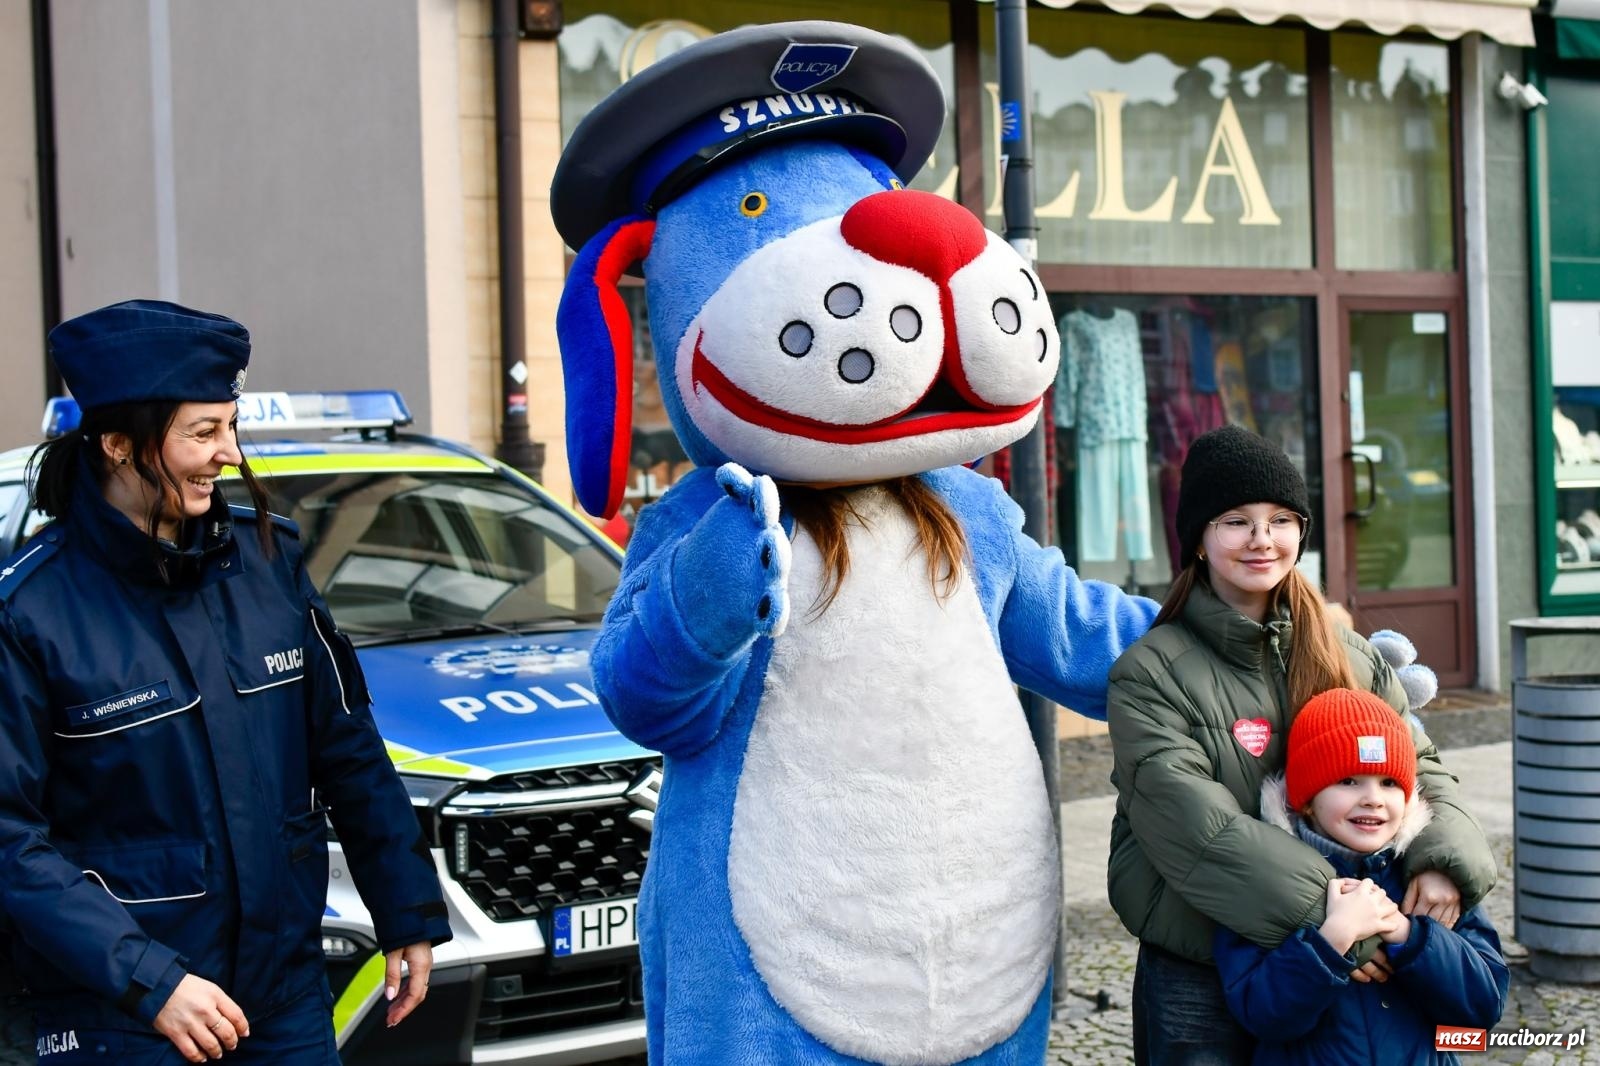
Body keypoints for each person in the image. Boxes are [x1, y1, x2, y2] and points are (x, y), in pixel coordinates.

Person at [0, 300, 452, 1064]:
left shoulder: (269, 563)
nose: (229, 453)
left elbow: (346, 746)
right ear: (117, 443)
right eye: (203, 433)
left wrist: (405, 906)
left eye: (229, 427)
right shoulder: (30, 612)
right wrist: (149, 980)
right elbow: (10, 841)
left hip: (282, 1002)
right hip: (123, 1019)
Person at [1105, 423, 1497, 1066]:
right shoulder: (1151, 670)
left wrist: (1440, 858)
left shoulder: (1350, 655)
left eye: (1281, 519)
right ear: (1199, 539)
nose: (1262, 539)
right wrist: (1333, 919)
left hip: (1345, 941)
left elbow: (1418, 767)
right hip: (1203, 946)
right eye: (1236, 520)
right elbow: (1190, 821)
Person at [1211, 687, 1508, 1064]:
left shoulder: (1431, 882)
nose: (1373, 798)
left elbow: (1484, 1005)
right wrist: (1332, 939)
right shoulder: (1265, 881)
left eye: (1388, 783)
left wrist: (1409, 935)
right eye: (1349, 780)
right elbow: (1265, 1016)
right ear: (1305, 798)